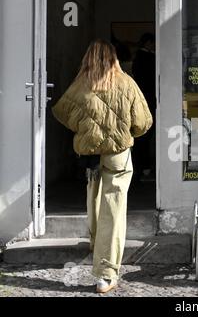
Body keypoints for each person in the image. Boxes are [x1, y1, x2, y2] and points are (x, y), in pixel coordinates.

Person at [52, 39, 152, 293]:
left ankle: (96, 248)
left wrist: (85, 126)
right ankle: (106, 274)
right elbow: (143, 123)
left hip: (90, 157)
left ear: (88, 57)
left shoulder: (80, 84)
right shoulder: (126, 82)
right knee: (113, 212)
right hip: (118, 156)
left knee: (94, 207)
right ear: (114, 58)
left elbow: (61, 112)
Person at [131, 32, 156, 181]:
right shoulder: (149, 58)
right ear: (148, 43)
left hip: (141, 100)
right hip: (149, 100)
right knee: (145, 136)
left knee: (141, 135)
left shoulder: (138, 59)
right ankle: (143, 168)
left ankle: (140, 168)